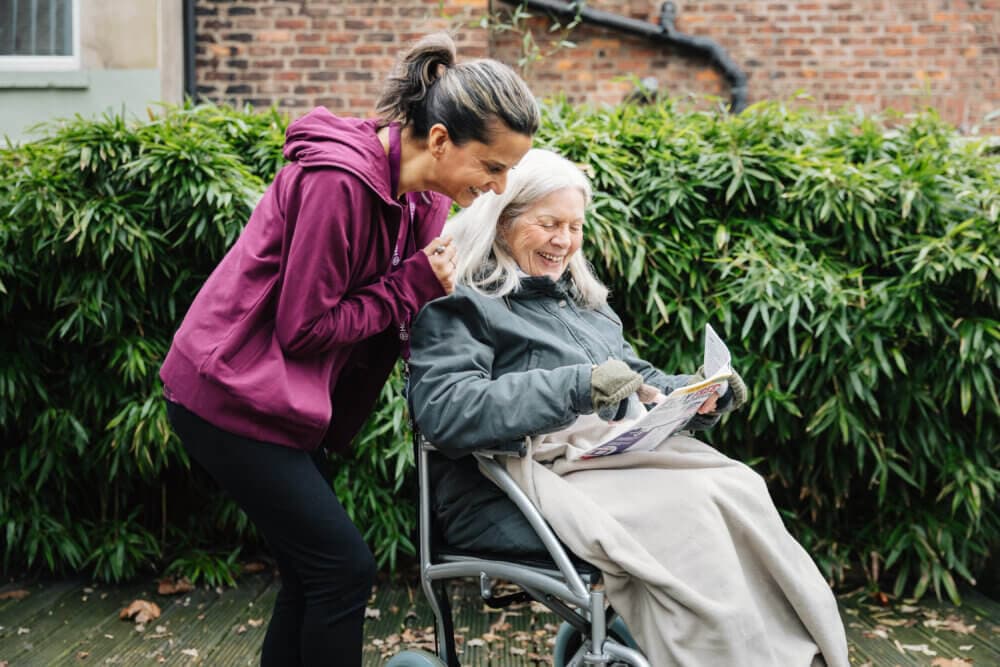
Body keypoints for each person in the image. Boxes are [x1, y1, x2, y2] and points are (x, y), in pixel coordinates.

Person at [159, 32, 538, 667]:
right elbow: (304, 327)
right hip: (226, 392)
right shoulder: (339, 182)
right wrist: (412, 284)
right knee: (342, 569)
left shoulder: (423, 198)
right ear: (439, 140)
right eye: (492, 167)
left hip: (281, 401)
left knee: (312, 575)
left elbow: (408, 305)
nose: (499, 187)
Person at [407, 149, 850, 666]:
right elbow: (444, 409)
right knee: (687, 512)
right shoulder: (460, 301)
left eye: (575, 227)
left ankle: (788, 655)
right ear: (502, 221)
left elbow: (636, 382)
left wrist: (699, 393)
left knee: (736, 487)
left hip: (600, 466)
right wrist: (577, 386)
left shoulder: (580, 303)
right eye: (549, 224)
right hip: (503, 484)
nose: (564, 241)